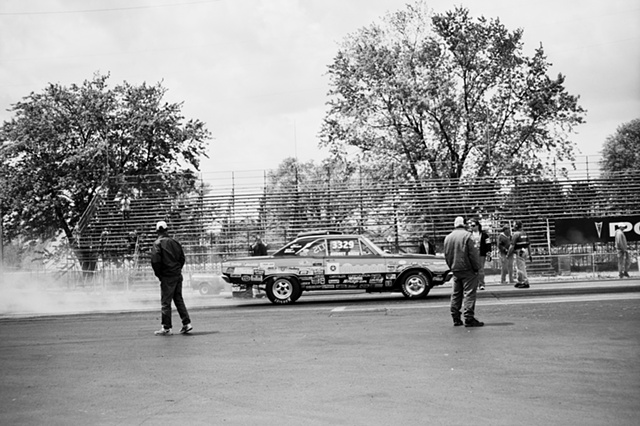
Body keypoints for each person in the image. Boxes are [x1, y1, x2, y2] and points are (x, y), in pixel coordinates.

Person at [151, 220, 192, 336]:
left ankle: (166, 327)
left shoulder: (157, 243)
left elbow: (155, 261)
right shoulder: (175, 242)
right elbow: (182, 258)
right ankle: (187, 323)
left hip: (167, 276)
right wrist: (177, 270)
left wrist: (159, 274)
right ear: (167, 229)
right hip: (177, 275)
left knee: (166, 302)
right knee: (178, 300)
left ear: (157, 231)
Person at [444, 216, 484, 327]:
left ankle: (455, 317)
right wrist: (477, 268)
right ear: (464, 224)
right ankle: (469, 318)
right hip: (468, 269)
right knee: (469, 294)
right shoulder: (467, 236)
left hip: (455, 269)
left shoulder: (448, 237)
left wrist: (452, 266)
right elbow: (473, 254)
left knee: (456, 294)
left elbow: (447, 255)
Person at [469, 219, 492, 290]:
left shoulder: (484, 235)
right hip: (472, 254)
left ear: (478, 226)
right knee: (472, 270)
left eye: (473, 225)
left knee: (481, 269)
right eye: (471, 226)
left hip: (481, 253)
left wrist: (488, 252)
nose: (471, 227)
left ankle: (481, 284)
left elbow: (488, 244)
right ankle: (473, 284)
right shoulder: (469, 235)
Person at [508, 220, 531, 288]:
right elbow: (529, 244)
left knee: (520, 267)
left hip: (519, 251)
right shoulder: (525, 233)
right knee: (520, 266)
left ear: (516, 226)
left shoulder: (516, 234)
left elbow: (512, 246)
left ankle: (525, 281)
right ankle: (520, 280)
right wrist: (530, 254)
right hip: (525, 250)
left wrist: (508, 254)